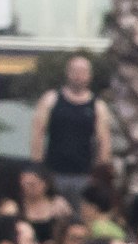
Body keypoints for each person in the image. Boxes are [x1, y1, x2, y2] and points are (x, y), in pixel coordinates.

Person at [34, 51, 110, 201]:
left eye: (83, 71)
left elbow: (104, 141)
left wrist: (100, 176)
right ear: (67, 73)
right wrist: (38, 170)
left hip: (84, 175)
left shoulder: (98, 106)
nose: (78, 75)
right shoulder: (51, 100)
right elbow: (38, 135)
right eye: (75, 71)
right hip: (53, 173)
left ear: (90, 75)